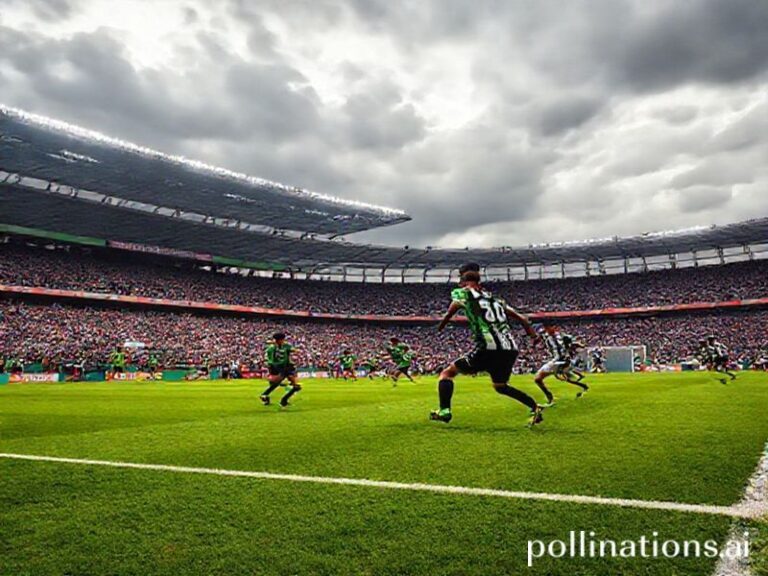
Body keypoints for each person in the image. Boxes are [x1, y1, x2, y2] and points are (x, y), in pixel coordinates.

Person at [430, 262, 545, 427]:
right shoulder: (495, 299)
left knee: (447, 373)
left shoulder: (462, 293)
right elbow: (522, 318)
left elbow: (452, 309)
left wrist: (441, 325)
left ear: (463, 281)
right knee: (500, 386)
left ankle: (444, 411)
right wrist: (533, 335)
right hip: (509, 348)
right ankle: (535, 407)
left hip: (488, 347)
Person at [260, 333, 302, 407]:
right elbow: (270, 361)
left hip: (283, 366)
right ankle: (281, 399)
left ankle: (267, 395)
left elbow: (292, 350)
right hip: (280, 367)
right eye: (282, 339)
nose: (283, 341)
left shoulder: (277, 347)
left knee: (293, 385)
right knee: (281, 383)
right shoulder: (275, 348)